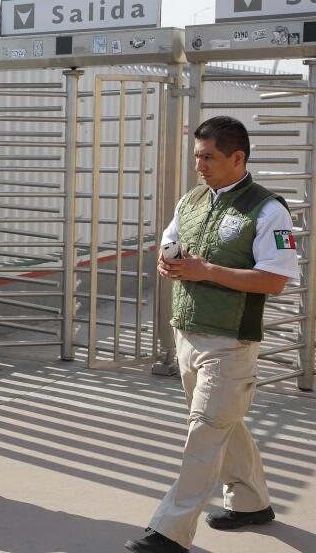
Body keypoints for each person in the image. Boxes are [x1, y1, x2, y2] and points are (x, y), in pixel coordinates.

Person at [125, 116, 299, 553]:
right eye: (197, 156)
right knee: (224, 423)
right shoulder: (192, 200)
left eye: (209, 157)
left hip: (231, 343)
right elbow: (171, 245)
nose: (200, 166)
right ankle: (251, 502)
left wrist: (206, 271)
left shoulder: (270, 210)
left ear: (238, 157)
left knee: (203, 434)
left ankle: (169, 532)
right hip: (188, 334)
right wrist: (169, 263)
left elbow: (276, 280)